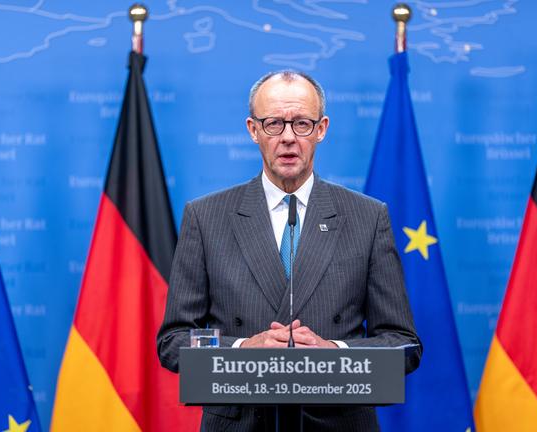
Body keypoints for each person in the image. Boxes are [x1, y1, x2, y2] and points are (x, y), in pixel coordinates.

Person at [157, 70, 421, 431]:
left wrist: (337, 355)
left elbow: (403, 344)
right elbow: (173, 342)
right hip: (242, 422)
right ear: (252, 129)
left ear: (321, 129)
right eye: (273, 124)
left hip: (337, 422)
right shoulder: (206, 217)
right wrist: (241, 350)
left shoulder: (367, 217)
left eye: (301, 124)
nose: (288, 138)